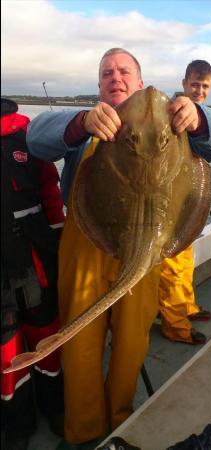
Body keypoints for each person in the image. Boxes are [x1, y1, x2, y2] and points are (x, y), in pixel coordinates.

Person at [26, 48, 211, 447]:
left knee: (132, 343)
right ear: (100, 87)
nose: (115, 77)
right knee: (81, 345)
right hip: (87, 242)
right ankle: (84, 432)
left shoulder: (177, 120)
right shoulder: (86, 125)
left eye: (124, 72)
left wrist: (201, 117)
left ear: (139, 83)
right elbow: (36, 139)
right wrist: (81, 122)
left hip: (149, 246)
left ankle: (121, 423)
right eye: (106, 73)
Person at [1, 98, 65, 450]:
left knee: (46, 334)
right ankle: (17, 423)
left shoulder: (27, 133)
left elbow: (50, 192)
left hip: (34, 256)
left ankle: (55, 406)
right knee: (5, 347)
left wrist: (58, 238)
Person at [159, 60, 211, 345]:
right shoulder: (172, 112)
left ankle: (188, 307)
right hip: (171, 207)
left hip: (188, 204)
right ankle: (176, 327)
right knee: (171, 268)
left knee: (184, 262)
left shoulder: (201, 115)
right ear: (183, 83)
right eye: (194, 84)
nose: (199, 91)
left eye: (205, 86)